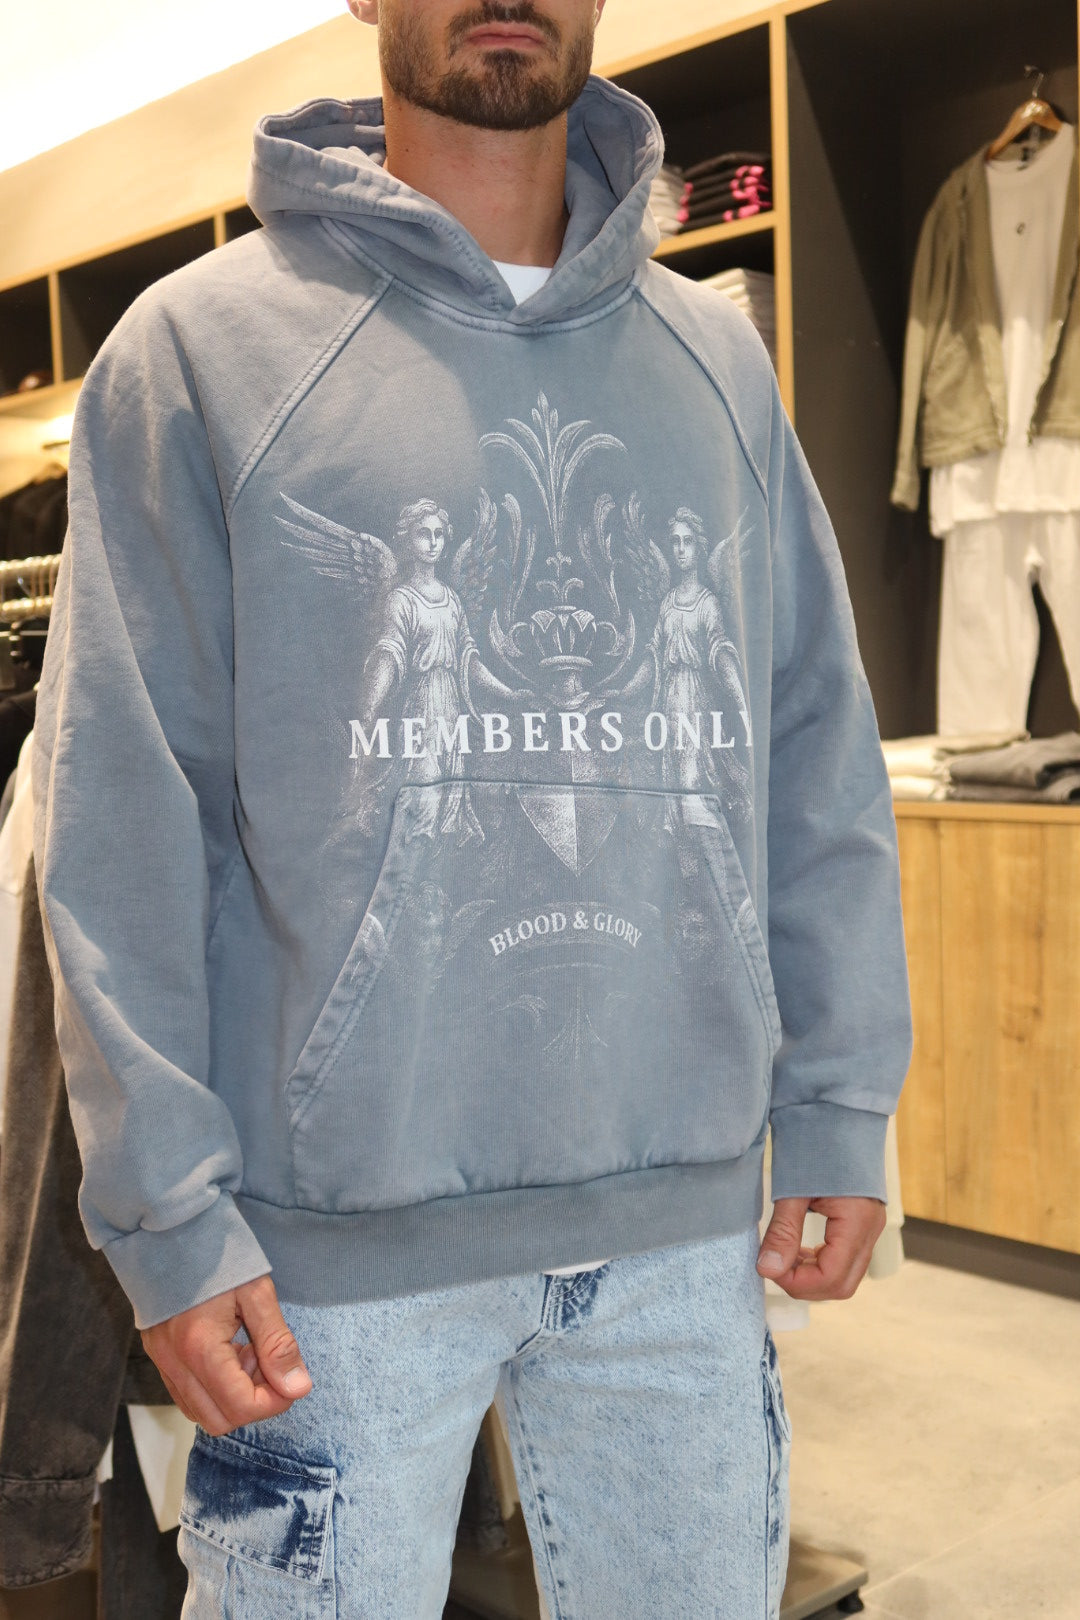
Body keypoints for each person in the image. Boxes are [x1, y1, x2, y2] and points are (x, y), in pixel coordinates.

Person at [33, 2, 913, 1616]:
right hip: (332, 1262)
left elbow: (811, 745)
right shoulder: (195, 350)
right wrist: (169, 1217)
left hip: (681, 1235)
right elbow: (123, 812)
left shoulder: (719, 358)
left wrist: (843, 1098)